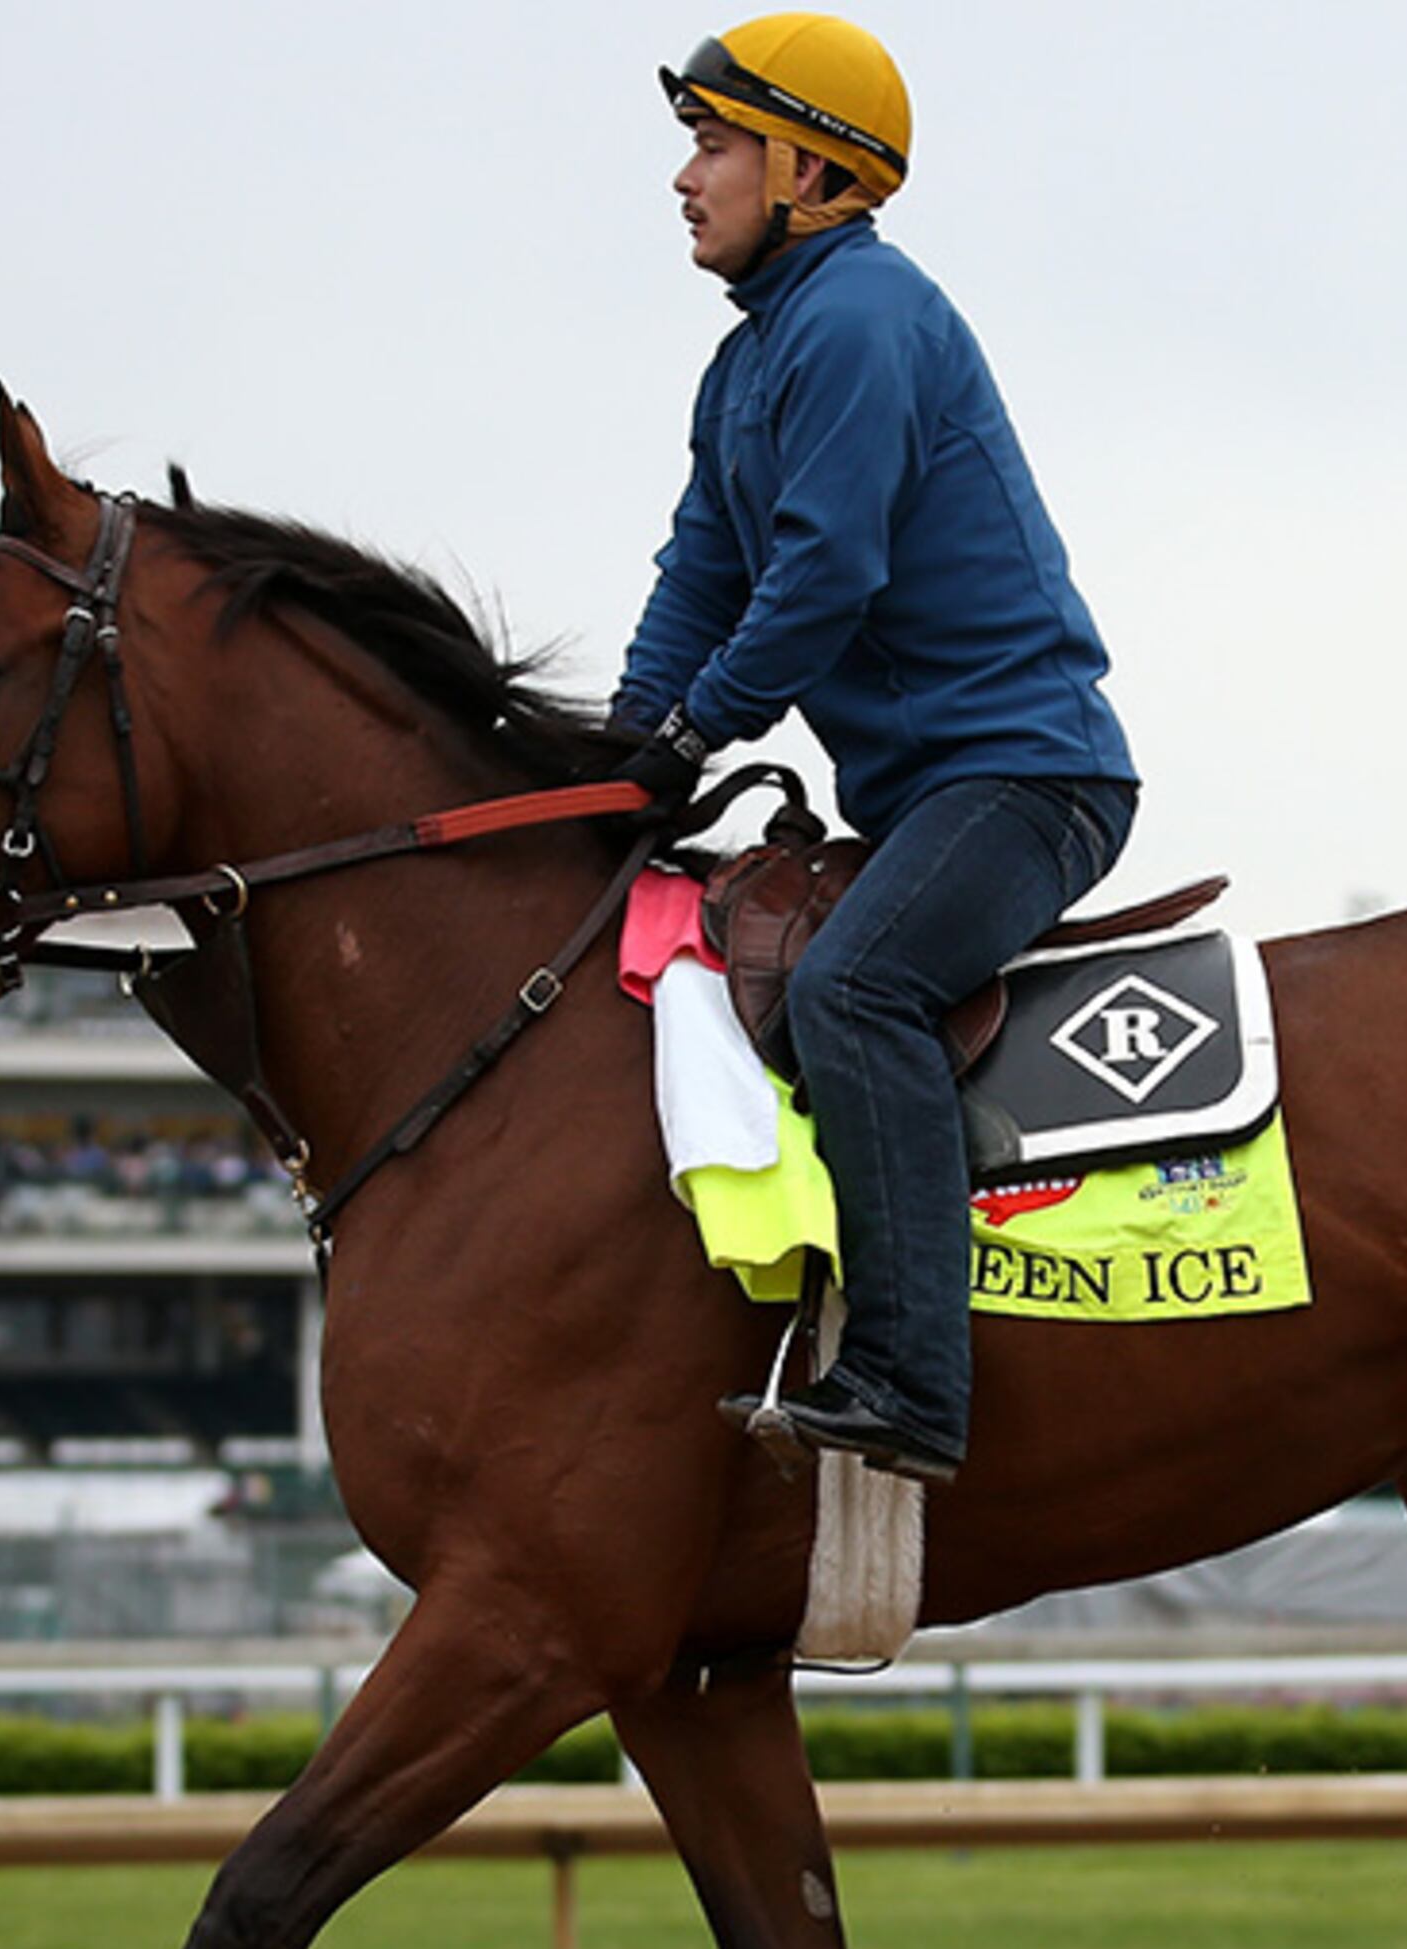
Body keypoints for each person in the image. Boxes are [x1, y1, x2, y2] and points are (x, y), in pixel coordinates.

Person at [615, 12, 1136, 1487]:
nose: (685, 177)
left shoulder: (860, 319)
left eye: (713, 143)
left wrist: (700, 723)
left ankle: (913, 1383)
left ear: (813, 171)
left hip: (1033, 780)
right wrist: (618, 752)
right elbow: (700, 578)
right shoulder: (748, 367)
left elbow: (823, 574)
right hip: (927, 797)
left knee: (854, 985)